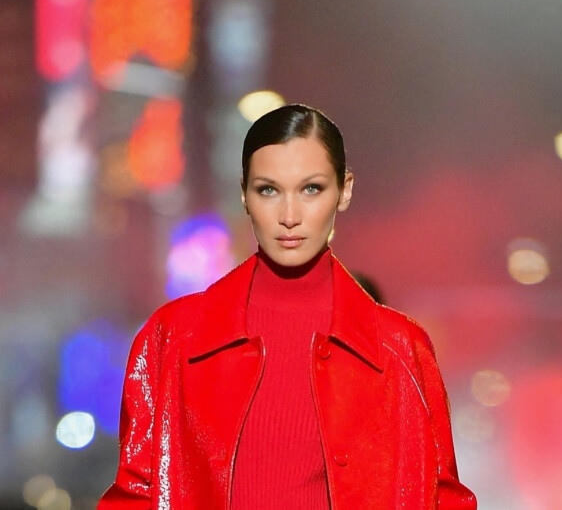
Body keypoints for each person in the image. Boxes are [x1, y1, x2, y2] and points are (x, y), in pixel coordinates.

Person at [98, 104, 477, 509]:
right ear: (244, 193)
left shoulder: (401, 349)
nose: (290, 216)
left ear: (344, 190)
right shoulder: (173, 337)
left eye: (311, 188)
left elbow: (444, 499)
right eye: (268, 190)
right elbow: (135, 494)